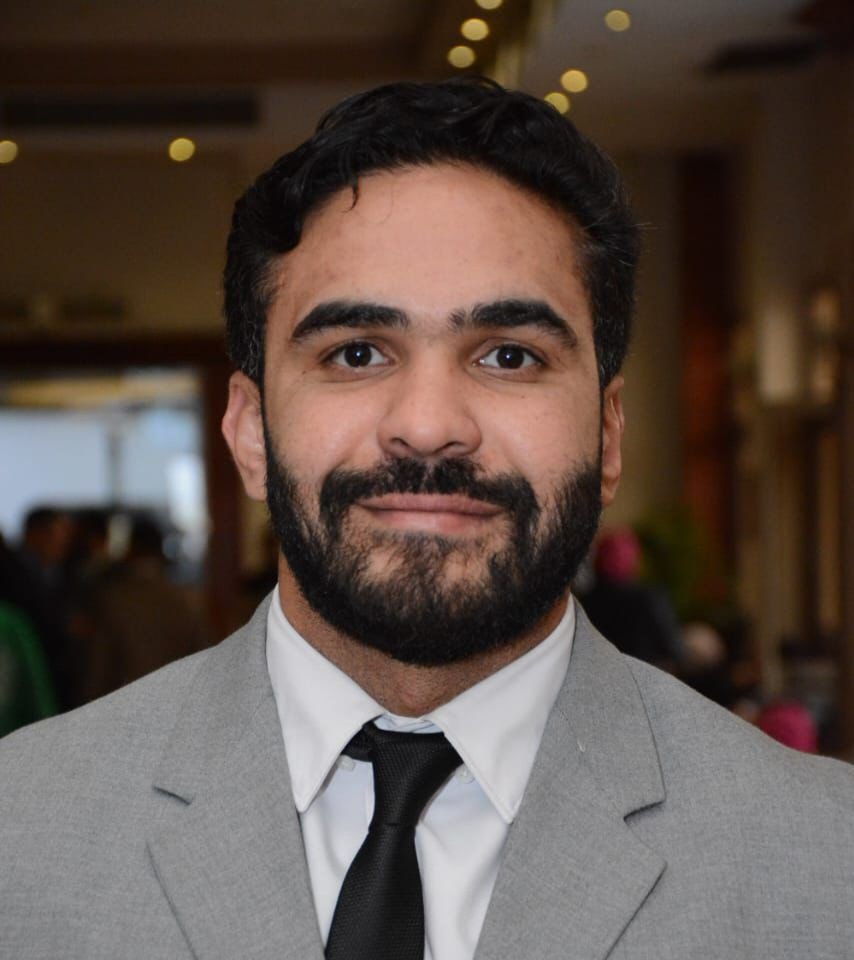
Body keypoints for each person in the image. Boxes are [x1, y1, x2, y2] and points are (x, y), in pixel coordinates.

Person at [1, 78, 852, 960]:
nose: (429, 425)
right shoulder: (20, 832)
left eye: (509, 356)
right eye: (356, 353)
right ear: (250, 433)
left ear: (607, 434)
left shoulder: (827, 864)